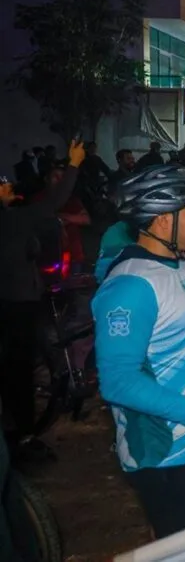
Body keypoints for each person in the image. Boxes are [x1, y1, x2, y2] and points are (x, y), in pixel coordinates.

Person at [91, 165, 185, 538]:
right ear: (163, 220)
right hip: (166, 455)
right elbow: (118, 381)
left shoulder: (181, 267)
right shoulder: (131, 285)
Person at [0, 139, 85, 460]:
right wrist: (74, 164)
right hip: (18, 304)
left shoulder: (11, 220)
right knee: (19, 370)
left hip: (12, 300)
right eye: (2, 184)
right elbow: (54, 202)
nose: (8, 185)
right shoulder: (13, 220)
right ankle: (22, 436)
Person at [34, 164, 91, 273]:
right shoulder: (38, 199)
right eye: (55, 176)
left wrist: (61, 217)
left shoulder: (71, 199)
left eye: (63, 177)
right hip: (48, 258)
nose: (60, 180)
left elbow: (86, 219)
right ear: (46, 179)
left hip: (74, 255)